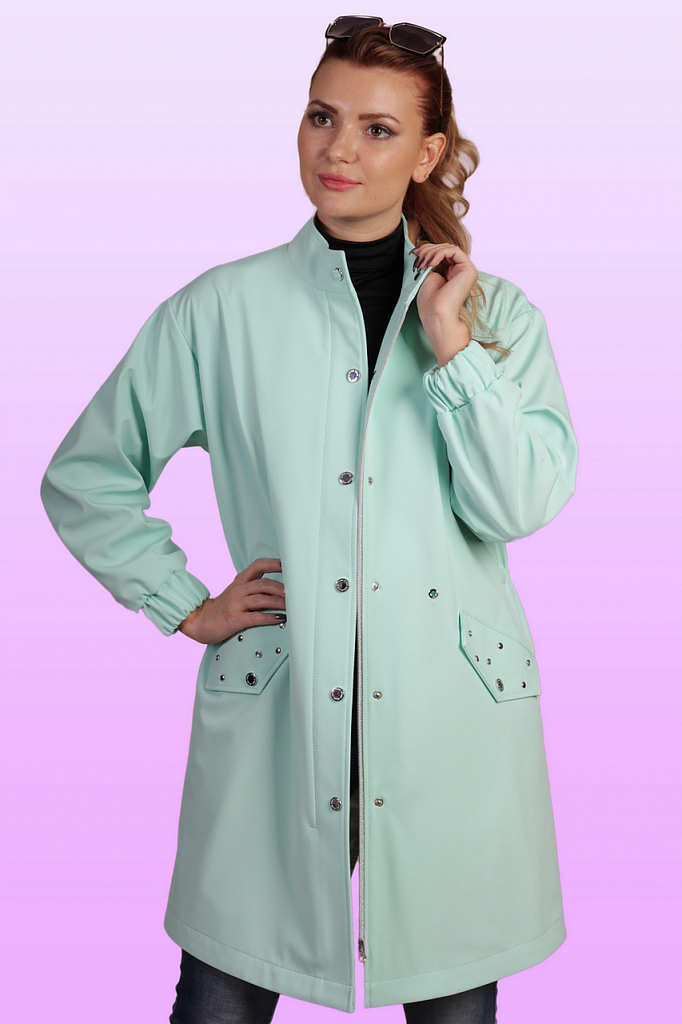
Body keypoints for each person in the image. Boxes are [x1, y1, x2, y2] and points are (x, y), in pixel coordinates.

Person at [40, 16, 579, 1024]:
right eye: (322, 116)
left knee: (453, 993)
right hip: (281, 701)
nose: (339, 149)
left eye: (378, 129)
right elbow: (87, 476)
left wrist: (453, 349)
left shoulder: (497, 318)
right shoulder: (220, 311)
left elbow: (519, 502)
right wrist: (182, 601)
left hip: (449, 709)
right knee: (224, 985)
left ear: (427, 153)